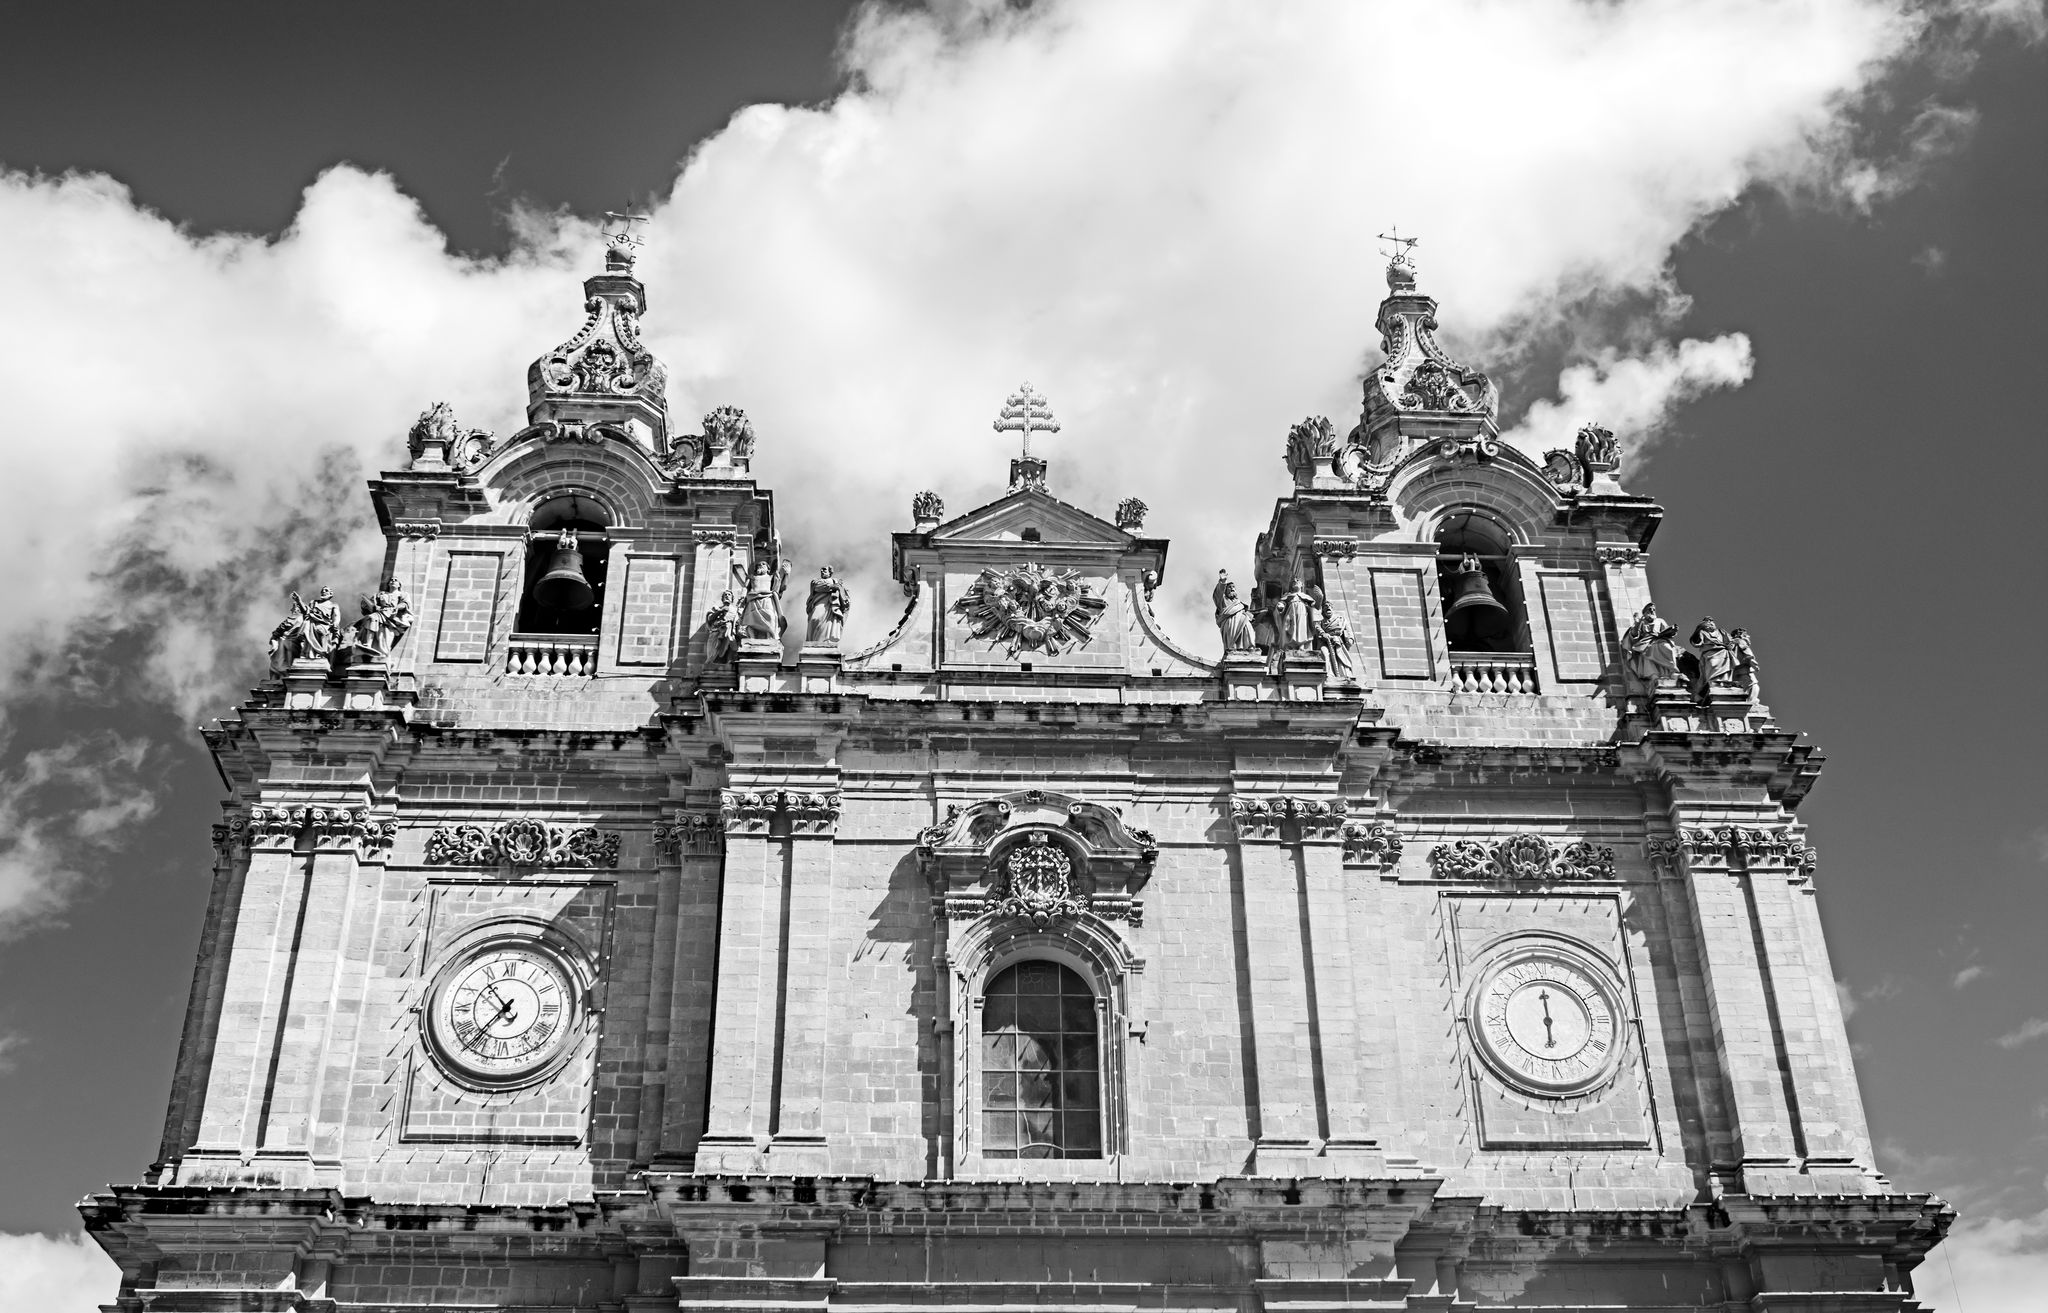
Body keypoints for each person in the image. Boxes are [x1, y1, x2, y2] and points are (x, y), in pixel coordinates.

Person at [1620, 602, 1679, 691]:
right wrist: (1637, 623)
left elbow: (1667, 630)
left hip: (1660, 639)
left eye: (1653, 609)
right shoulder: (1642, 622)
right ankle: (1654, 676)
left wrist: (1673, 630)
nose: (1652, 611)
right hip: (1645, 643)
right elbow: (1634, 635)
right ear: (1645, 612)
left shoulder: (1660, 621)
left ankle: (1672, 671)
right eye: (1649, 609)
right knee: (1646, 653)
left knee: (1667, 648)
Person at [352, 578, 412, 661]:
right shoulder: (381, 594)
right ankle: (368, 644)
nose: (393, 581)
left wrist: (397, 608)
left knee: (384, 637)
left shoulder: (402, 594)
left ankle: (383, 653)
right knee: (371, 618)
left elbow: (405, 604)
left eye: (396, 580)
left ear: (399, 585)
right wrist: (366, 602)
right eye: (391, 580)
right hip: (380, 612)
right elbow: (371, 604)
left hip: (392, 616)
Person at [739, 559, 786, 641]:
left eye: (763, 564)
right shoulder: (752, 577)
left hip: (767, 598)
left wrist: (785, 572)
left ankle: (770, 637)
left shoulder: (771, 577)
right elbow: (745, 587)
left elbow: (780, 584)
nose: (761, 565)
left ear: (768, 569)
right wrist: (742, 597)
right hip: (753, 598)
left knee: (770, 617)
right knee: (750, 619)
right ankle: (751, 638)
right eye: (759, 564)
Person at [1690, 616, 1736, 700]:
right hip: (1710, 653)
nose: (1710, 624)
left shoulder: (1721, 631)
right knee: (1712, 666)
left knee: (1725, 669)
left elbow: (1730, 641)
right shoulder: (1703, 632)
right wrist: (1696, 636)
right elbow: (1698, 643)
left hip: (1723, 652)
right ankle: (1712, 684)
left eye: (1711, 622)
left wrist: (1730, 645)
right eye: (1707, 623)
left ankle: (1722, 684)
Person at [805, 566, 851, 645]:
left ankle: (824, 642)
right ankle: (814, 643)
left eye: (824, 569)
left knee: (827, 624)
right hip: (818, 604)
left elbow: (844, 596)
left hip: (830, 606)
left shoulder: (835, 581)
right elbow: (817, 587)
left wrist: (841, 590)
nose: (822, 571)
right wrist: (832, 586)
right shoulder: (816, 581)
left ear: (830, 572)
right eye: (821, 570)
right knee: (815, 619)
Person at [1212, 570, 1256, 653]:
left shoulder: (1240, 603)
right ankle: (1234, 649)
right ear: (1225, 591)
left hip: (1243, 621)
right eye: (1229, 587)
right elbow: (1218, 594)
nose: (1232, 588)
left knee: (1248, 629)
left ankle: (1250, 648)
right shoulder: (1223, 601)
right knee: (1233, 646)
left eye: (1233, 587)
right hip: (1231, 623)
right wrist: (1223, 581)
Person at [704, 590, 741, 664]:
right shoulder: (717, 608)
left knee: (730, 646)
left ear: (732, 599)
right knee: (712, 655)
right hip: (716, 633)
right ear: (722, 598)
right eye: (725, 595)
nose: (727, 596)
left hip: (729, 632)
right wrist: (720, 611)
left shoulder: (736, 610)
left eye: (729, 595)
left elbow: (739, 622)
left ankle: (727, 661)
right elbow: (710, 618)